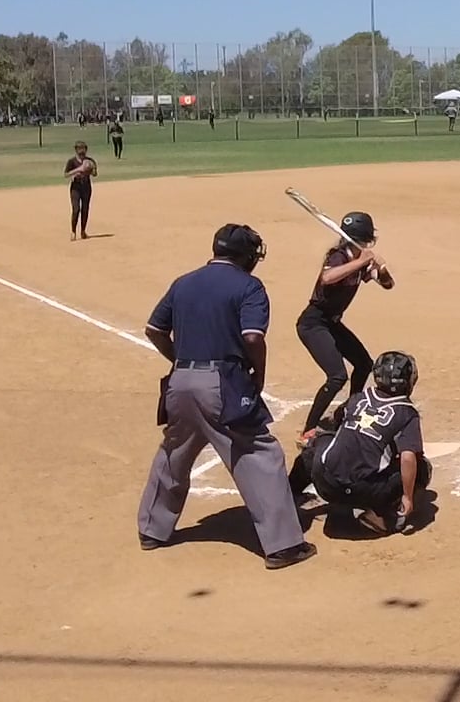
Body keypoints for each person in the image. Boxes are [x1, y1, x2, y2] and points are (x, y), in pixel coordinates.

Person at [136, 224, 315, 570]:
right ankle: (283, 546)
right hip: (222, 383)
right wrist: (258, 372)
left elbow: (154, 329)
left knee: (174, 451)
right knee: (258, 452)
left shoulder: (184, 282)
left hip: (180, 382)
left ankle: (152, 530)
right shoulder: (248, 286)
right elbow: (252, 337)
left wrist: (179, 359)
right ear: (246, 255)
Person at [289, 351, 430, 535]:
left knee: (318, 443)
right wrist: (408, 497)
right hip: (361, 492)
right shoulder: (407, 413)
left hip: (325, 482)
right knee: (421, 468)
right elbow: (408, 458)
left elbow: (336, 420)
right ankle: (379, 515)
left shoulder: (358, 398)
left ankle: (288, 495)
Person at [297, 212, 394, 445]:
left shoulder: (360, 259)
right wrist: (360, 262)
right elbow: (327, 277)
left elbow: (388, 284)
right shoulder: (339, 256)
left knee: (364, 364)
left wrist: (381, 268)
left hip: (332, 323)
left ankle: (350, 411)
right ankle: (308, 430)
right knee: (337, 376)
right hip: (313, 323)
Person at [64, 141, 98, 241]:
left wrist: (90, 169)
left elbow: (95, 174)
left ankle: (83, 231)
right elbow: (66, 174)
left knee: (85, 209)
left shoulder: (90, 160)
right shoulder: (71, 161)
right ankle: (73, 231)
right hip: (75, 187)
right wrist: (78, 170)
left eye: (84, 149)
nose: (82, 151)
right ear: (76, 150)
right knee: (76, 209)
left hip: (86, 187)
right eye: (80, 149)